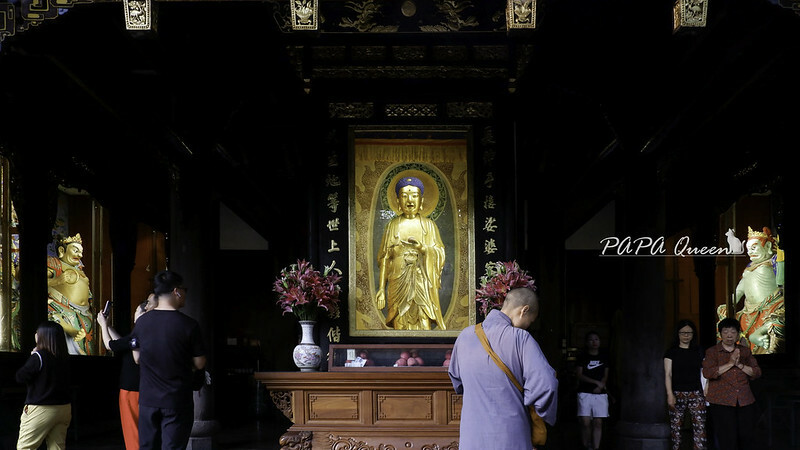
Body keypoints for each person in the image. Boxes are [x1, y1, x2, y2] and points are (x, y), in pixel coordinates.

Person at [448, 287, 558, 449]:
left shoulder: (465, 336)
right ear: (524, 310)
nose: (528, 326)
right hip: (511, 434)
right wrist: (540, 412)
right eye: (530, 321)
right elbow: (546, 384)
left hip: (472, 434)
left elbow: (456, 379)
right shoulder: (521, 338)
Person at [131, 271, 207, 450]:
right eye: (184, 289)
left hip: (148, 400)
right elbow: (200, 363)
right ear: (176, 291)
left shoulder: (142, 322)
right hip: (176, 400)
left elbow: (137, 358)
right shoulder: (189, 325)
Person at [375, 176, 447, 330]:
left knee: (424, 322)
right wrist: (381, 289)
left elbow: (439, 253)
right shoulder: (392, 226)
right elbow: (385, 258)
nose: (410, 200)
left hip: (422, 284)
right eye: (404, 196)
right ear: (397, 200)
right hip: (398, 284)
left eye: (414, 196)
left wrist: (424, 249)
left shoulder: (429, 226)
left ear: (421, 200)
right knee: (400, 323)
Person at [97, 294, 158, 450]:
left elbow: (110, 345)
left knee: (133, 431)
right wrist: (108, 326)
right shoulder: (150, 332)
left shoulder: (140, 331)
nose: (134, 315)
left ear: (145, 313)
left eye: (137, 311)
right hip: (145, 388)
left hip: (131, 389)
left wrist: (102, 325)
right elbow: (122, 343)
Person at [717, 226, 784, 354]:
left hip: (771, 307)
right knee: (725, 322)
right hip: (747, 312)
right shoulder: (748, 270)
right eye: (748, 249)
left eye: (754, 248)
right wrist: (729, 304)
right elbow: (739, 291)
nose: (750, 252)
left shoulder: (774, 264)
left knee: (778, 322)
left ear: (768, 247)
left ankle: (757, 335)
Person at [702, 317, 761, 450]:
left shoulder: (745, 351)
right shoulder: (712, 352)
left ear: (738, 334)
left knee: (746, 436)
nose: (729, 335)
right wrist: (730, 363)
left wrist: (739, 365)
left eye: (733, 332)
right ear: (720, 334)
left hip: (744, 400)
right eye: (726, 332)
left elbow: (757, 372)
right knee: (726, 437)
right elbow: (708, 373)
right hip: (721, 400)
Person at [15, 321, 72, 450]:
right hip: (64, 408)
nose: (35, 334)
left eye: (37, 332)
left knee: (25, 447)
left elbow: (20, 377)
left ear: (43, 336)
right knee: (57, 447)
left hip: (42, 409)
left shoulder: (39, 356)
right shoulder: (64, 358)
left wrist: (32, 357)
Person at [46, 233, 96, 355]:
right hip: (62, 308)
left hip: (84, 312)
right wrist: (57, 281)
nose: (80, 255)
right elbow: (35, 280)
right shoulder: (55, 264)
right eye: (76, 251)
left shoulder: (80, 270)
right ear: (62, 250)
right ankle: (71, 332)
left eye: (81, 252)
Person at [664, 319, 706, 450]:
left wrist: (706, 388)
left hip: (696, 392)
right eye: (683, 332)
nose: (686, 335)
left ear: (693, 334)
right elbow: (668, 374)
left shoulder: (698, 351)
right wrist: (669, 394)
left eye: (689, 332)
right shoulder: (671, 352)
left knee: (700, 426)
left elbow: (704, 372)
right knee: (676, 427)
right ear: (677, 334)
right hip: (677, 392)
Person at [576, 331, 610, 450]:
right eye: (591, 340)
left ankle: (596, 447)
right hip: (584, 393)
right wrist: (595, 382)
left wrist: (601, 386)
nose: (594, 342)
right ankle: (586, 445)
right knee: (585, 422)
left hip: (600, 394)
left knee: (598, 422)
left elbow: (605, 375)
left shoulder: (604, 357)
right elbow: (579, 374)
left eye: (596, 339)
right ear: (586, 342)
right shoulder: (582, 357)